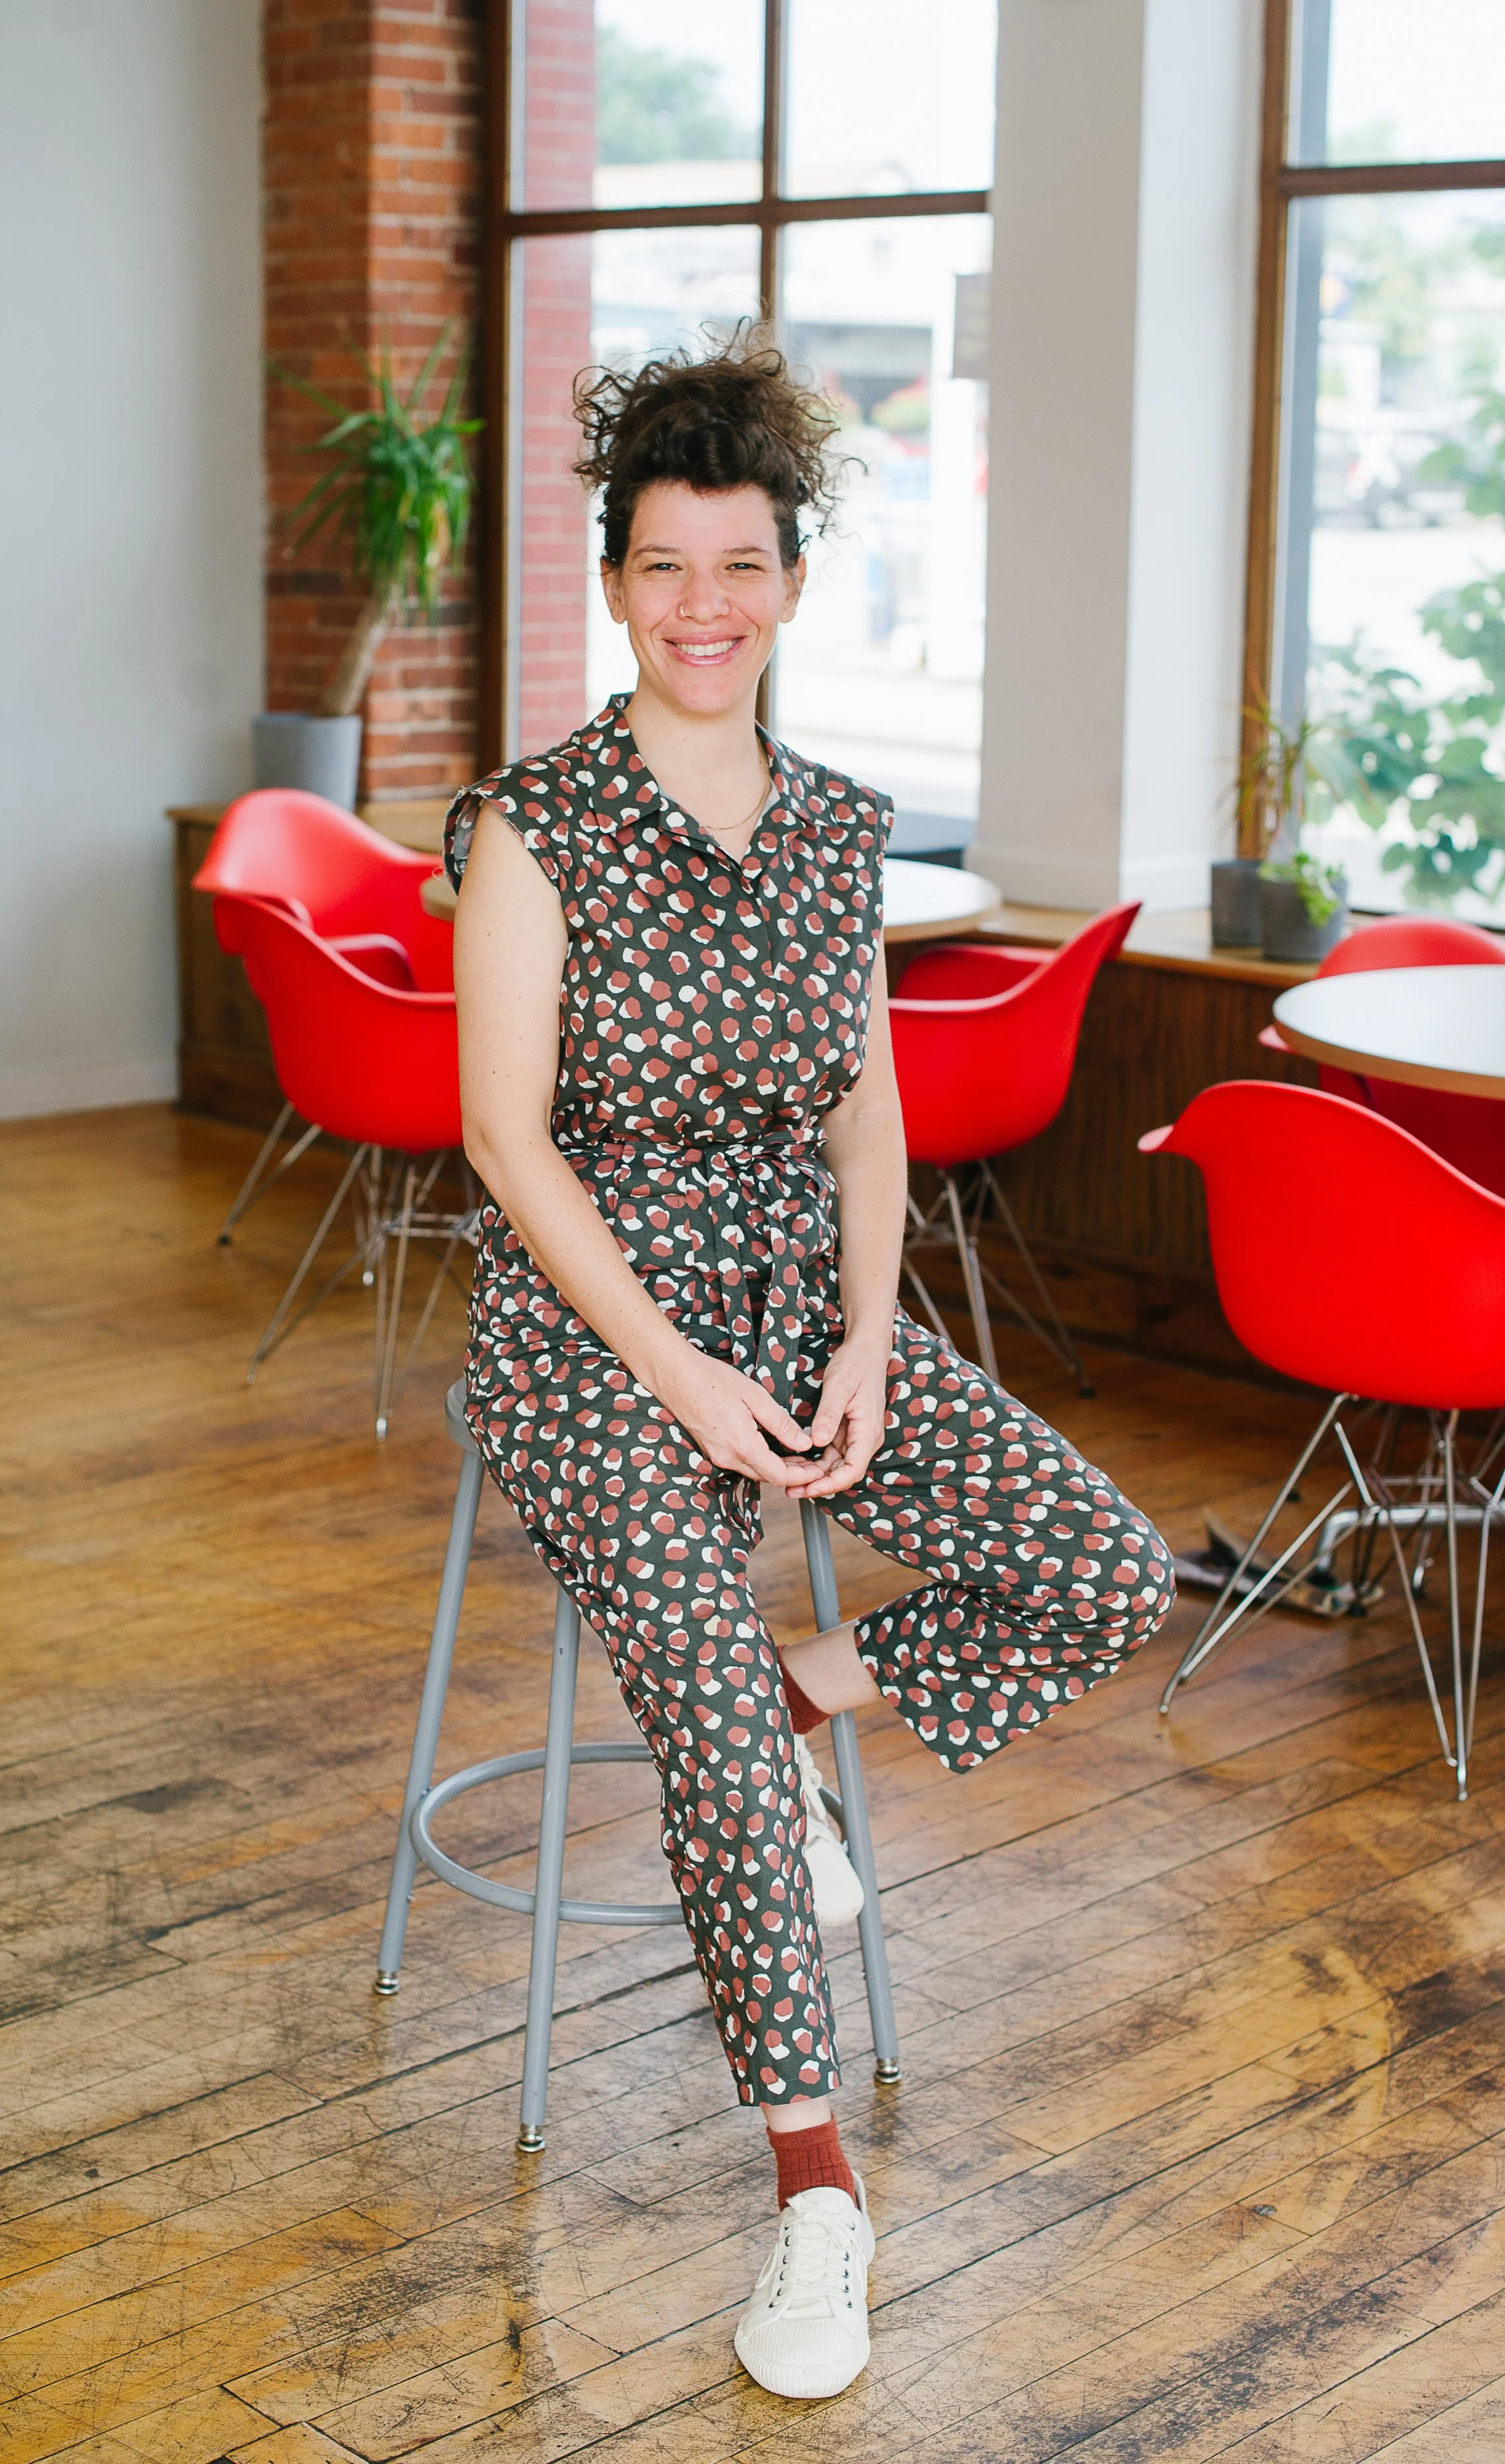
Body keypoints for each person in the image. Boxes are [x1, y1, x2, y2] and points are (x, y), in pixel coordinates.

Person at [446, 334, 1174, 2404]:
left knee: (1107, 1565)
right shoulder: (535, 825)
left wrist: (864, 1337)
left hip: (796, 1303)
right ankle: (815, 2197)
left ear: (786, 578)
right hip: (599, 1335)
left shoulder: (838, 825)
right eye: (663, 563)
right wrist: (682, 1376)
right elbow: (506, 1138)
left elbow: (867, 1119)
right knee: (700, 1719)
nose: (702, 603)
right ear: (613, 581)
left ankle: (796, 1693)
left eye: (739, 562)